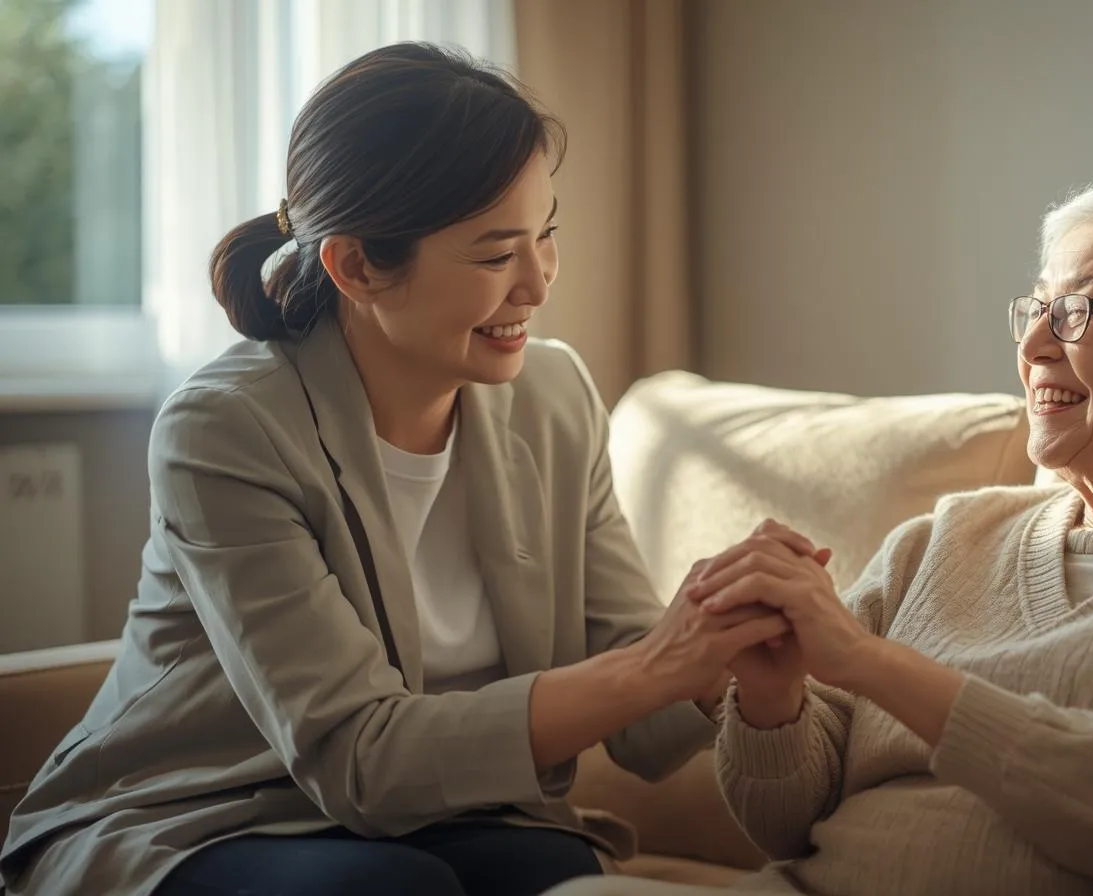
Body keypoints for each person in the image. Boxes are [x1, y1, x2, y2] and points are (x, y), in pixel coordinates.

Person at [0, 42, 818, 896]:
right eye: (497, 254)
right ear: (356, 266)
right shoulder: (225, 431)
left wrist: (720, 641)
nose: (537, 284)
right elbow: (360, 759)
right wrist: (656, 665)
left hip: (443, 814)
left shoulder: (554, 396)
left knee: (555, 865)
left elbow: (635, 717)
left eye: (547, 236)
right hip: (199, 817)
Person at [555, 170, 1093, 896]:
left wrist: (867, 661)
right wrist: (775, 701)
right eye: (1035, 308)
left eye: (1077, 311)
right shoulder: (948, 538)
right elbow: (787, 826)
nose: (1034, 344)